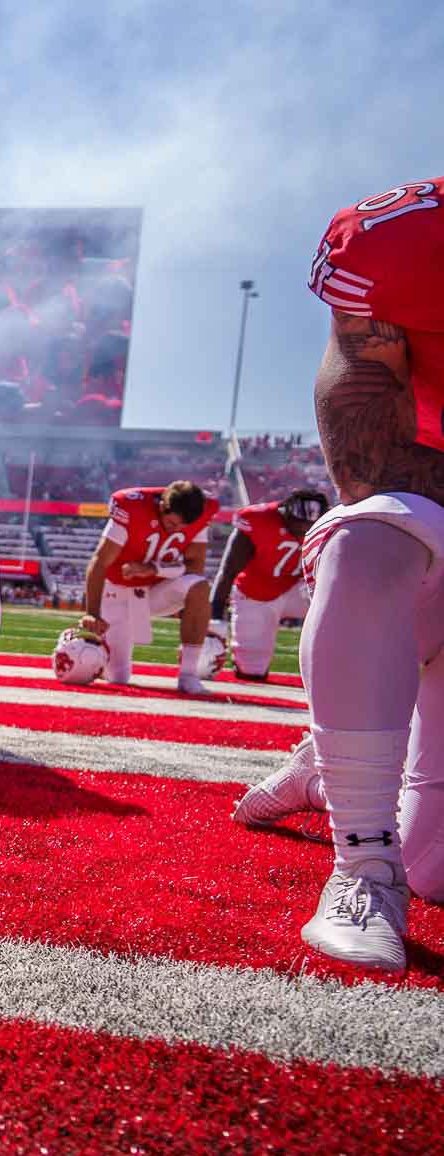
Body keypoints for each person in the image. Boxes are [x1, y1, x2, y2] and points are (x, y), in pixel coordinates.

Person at [234, 179, 444, 972]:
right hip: (434, 538)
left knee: (440, 872)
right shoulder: (402, 240)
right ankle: (362, 862)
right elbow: (367, 464)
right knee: (367, 537)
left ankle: (324, 764)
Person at [79, 481, 218, 694]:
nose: (178, 531)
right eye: (172, 524)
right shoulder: (132, 507)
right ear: (162, 506)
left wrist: (154, 569)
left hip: (155, 591)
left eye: (184, 527)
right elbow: (99, 562)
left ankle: (188, 675)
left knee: (199, 587)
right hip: (118, 591)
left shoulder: (202, 510)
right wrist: (92, 613)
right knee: (118, 677)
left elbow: (194, 567)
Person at [207, 488, 328, 680]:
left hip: (300, 590)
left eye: (309, 525)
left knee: (339, 599)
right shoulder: (258, 519)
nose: (303, 530)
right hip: (256, 592)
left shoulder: (329, 525)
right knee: (251, 673)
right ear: (285, 513)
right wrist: (215, 618)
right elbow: (228, 571)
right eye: (298, 523)